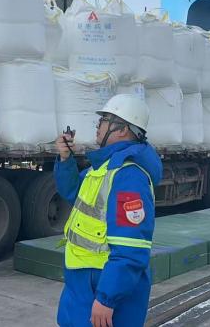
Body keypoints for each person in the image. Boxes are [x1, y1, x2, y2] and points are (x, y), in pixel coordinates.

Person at [54, 94, 163, 327]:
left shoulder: (129, 177)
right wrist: (65, 159)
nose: (98, 126)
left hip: (101, 286)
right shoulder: (105, 168)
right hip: (83, 281)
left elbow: (131, 246)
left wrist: (106, 298)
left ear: (122, 129)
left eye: (104, 120)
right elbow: (73, 191)